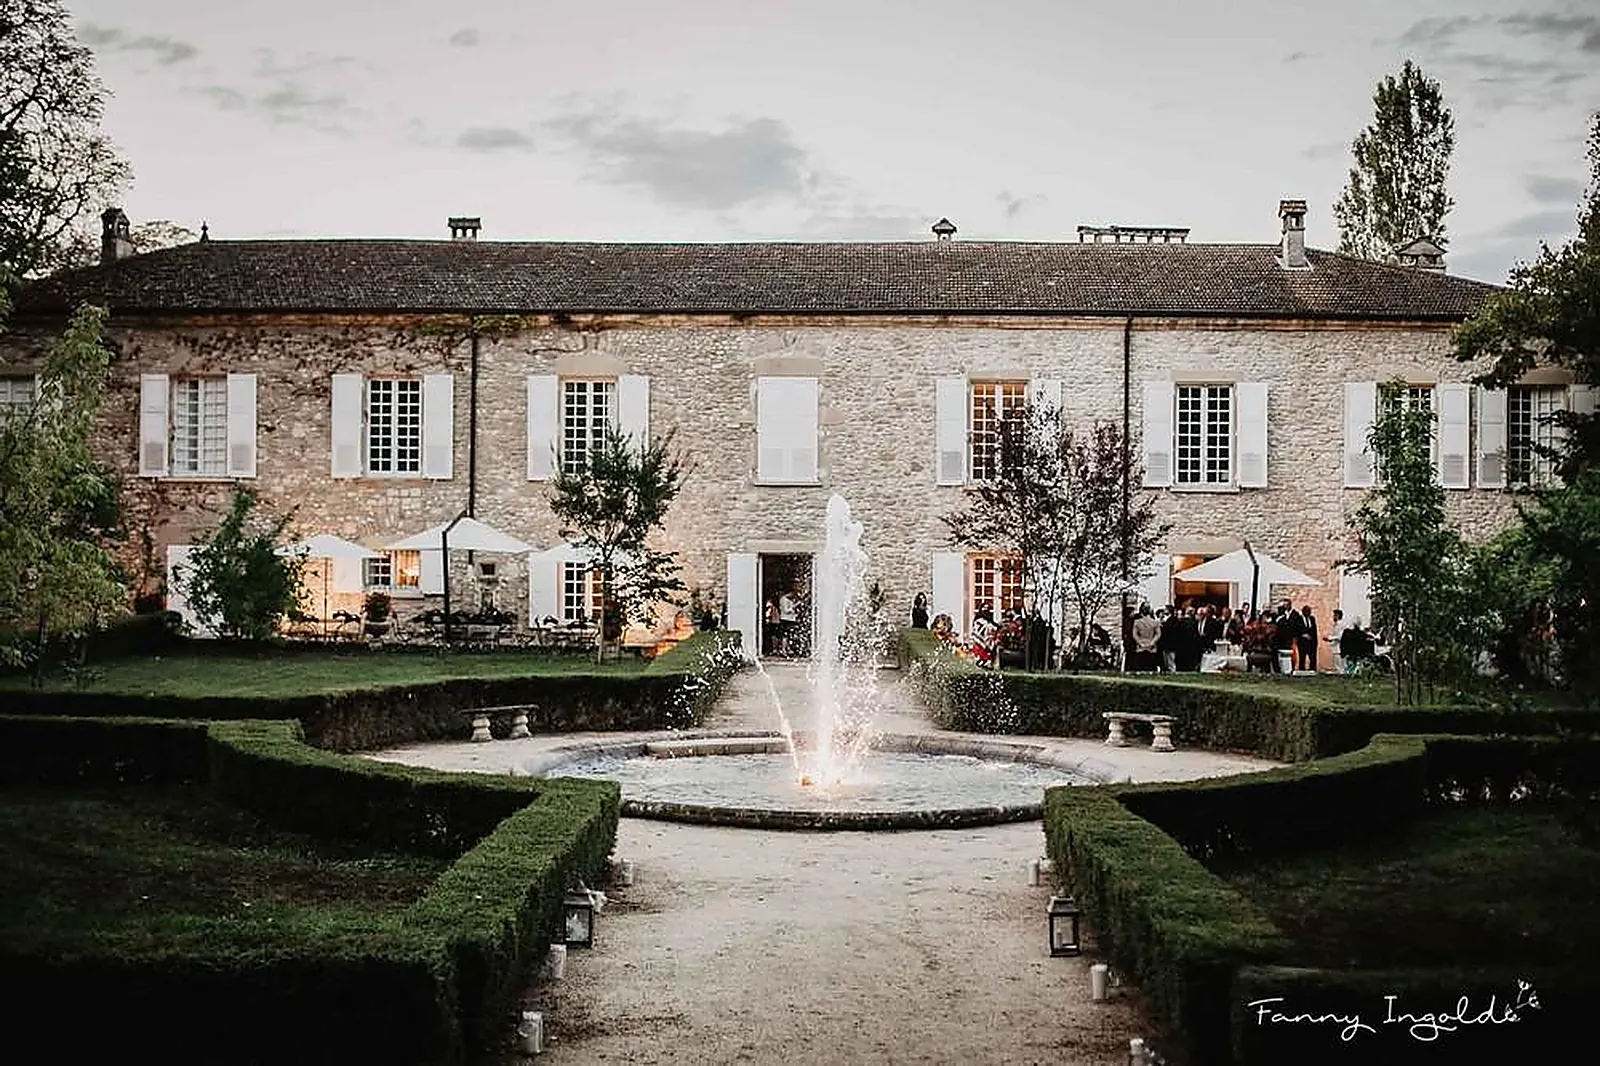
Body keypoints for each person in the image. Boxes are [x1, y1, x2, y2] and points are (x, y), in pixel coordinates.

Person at [1130, 603, 1161, 673]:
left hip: (1140, 647)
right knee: (1151, 668)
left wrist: (1140, 643)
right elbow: (1158, 634)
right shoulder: (1155, 622)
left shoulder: (1137, 622)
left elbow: (1134, 634)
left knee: (1141, 668)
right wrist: (1152, 642)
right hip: (1152, 648)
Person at [777, 586, 799, 657]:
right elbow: (786, 610)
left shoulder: (787, 600)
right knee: (785, 635)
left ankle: (787, 649)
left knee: (788, 635)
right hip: (786, 619)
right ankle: (784, 649)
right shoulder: (784, 600)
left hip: (790, 619)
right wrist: (794, 606)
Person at [1296, 604, 1318, 671]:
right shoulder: (1299, 619)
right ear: (1303, 611)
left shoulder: (1312, 619)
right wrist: (1302, 635)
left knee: (1313, 657)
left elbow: (1314, 631)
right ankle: (1302, 670)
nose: (1308, 613)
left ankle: (1312, 669)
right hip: (1302, 642)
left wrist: (1315, 641)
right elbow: (1296, 630)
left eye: (1309, 611)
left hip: (1311, 642)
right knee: (1302, 657)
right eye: (1307, 611)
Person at [1326, 608, 1349, 673]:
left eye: (1335, 615)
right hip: (1335, 647)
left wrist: (1330, 638)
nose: (1333, 617)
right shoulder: (1335, 625)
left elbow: (1340, 636)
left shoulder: (1341, 625)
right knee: (1336, 665)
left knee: (1340, 666)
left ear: (1338, 616)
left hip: (1339, 648)